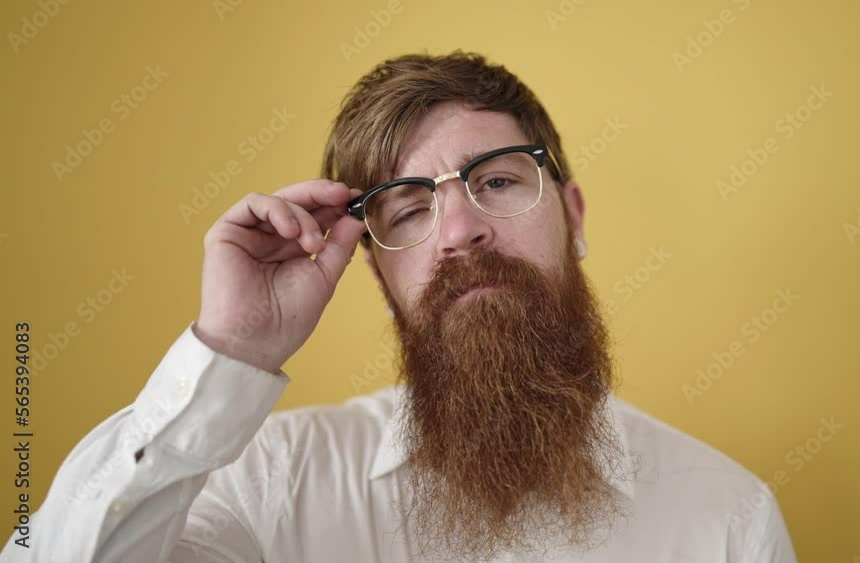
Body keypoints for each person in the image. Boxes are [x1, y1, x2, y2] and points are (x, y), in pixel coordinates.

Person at [1, 51, 797, 562]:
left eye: (498, 180)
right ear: (376, 272)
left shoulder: (726, 518)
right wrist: (228, 350)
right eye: (409, 209)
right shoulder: (274, 483)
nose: (460, 230)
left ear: (575, 217)